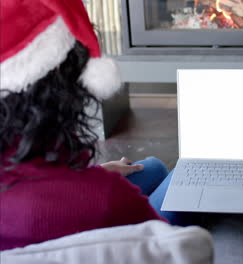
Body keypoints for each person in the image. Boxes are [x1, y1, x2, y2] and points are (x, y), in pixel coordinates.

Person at [0, 0, 184, 251]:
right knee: (182, 177)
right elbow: (167, 249)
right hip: (106, 232)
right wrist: (93, 182)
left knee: (153, 168)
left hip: (34, 213)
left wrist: (96, 171)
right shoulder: (106, 196)